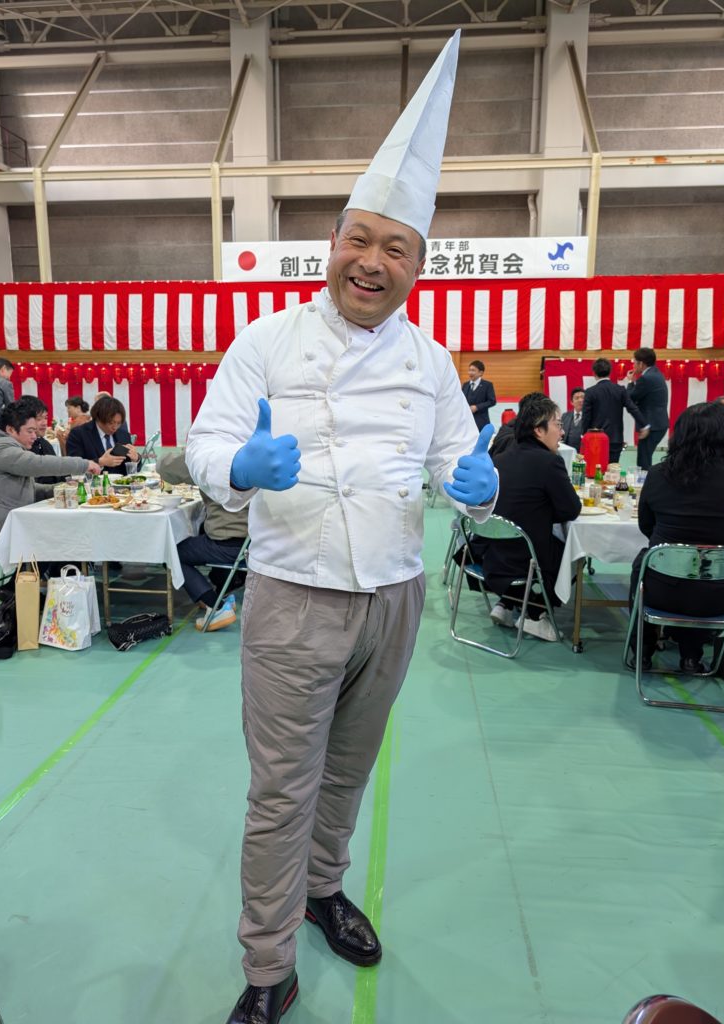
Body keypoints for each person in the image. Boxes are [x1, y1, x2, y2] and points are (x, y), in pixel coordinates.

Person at [186, 33, 498, 1024]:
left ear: (420, 263)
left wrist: (477, 487)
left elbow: (459, 463)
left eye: (394, 248)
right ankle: (267, 964)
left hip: (394, 596)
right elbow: (206, 441)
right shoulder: (266, 340)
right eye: (358, 239)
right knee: (282, 788)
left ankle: (324, 888)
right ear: (332, 241)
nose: (371, 261)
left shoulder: (432, 360)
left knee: (349, 772)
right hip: (292, 596)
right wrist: (240, 468)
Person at [629, 401, 724, 674]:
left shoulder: (658, 474)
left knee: (646, 563)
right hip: (721, 594)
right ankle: (691, 656)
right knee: (704, 566)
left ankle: (642, 650)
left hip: (663, 590)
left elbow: (646, 525)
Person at [466, 394, 581, 642]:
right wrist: (545, 511)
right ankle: (536, 615)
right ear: (539, 430)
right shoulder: (550, 462)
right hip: (527, 561)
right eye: (558, 425)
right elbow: (571, 510)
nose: (562, 432)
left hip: (491, 557)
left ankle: (506, 603)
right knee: (574, 554)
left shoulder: (500, 459)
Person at [0, 399, 98, 557]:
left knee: (60, 541)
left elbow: (29, 489)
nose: (35, 436)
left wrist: (61, 488)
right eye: (30, 431)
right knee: (57, 545)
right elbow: (38, 464)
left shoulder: (4, 446)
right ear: (11, 429)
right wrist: (83, 464)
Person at [156, 448, 249, 631]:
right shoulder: (253, 453)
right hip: (255, 543)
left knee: (170, 552)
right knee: (200, 532)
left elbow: (165, 466)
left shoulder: (211, 457)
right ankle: (220, 595)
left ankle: (215, 606)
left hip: (228, 543)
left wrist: (192, 449)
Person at [581, 357, 648, 465]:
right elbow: (633, 408)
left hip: (596, 438)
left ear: (594, 373)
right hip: (615, 438)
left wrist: (584, 434)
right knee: (612, 470)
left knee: (596, 469)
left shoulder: (590, 392)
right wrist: (644, 425)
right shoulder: (620, 390)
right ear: (610, 372)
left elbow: (586, 417)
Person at [65, 395, 139, 470]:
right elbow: (74, 466)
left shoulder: (123, 435)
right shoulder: (78, 434)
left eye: (118, 423)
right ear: (98, 418)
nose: (115, 427)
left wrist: (136, 459)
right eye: (111, 423)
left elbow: (131, 469)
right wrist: (100, 462)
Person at [625, 347, 669, 470]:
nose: (633, 365)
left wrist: (630, 382)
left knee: (643, 460)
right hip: (659, 423)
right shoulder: (656, 373)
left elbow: (630, 397)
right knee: (645, 457)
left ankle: (645, 481)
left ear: (641, 364)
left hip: (651, 425)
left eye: (634, 362)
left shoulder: (646, 378)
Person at [18, 396, 65, 484]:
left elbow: (58, 474)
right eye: (39, 419)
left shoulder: (44, 443)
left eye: (46, 418)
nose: (44, 423)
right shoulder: (18, 448)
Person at [461, 359, 496, 429]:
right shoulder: (465, 385)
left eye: (473, 370)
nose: (470, 372)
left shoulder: (487, 385)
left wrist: (477, 407)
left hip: (481, 421)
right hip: (466, 421)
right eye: (469, 370)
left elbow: (492, 401)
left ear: (481, 373)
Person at [561, 386, 585, 452]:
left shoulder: (591, 417)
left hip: (583, 452)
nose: (580, 400)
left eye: (583, 397)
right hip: (567, 452)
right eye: (577, 398)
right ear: (571, 402)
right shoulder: (565, 416)